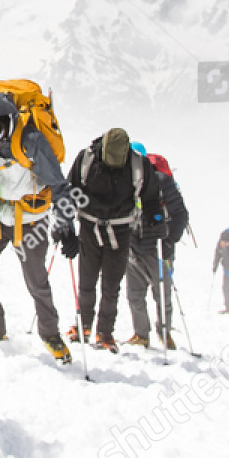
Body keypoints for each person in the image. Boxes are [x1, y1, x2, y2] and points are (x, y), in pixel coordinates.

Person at [0, 86, 75, 363]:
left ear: (2, 130)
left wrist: (66, 225)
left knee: (36, 280)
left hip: (31, 218)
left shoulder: (31, 140)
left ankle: (50, 334)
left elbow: (58, 184)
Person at [66, 128, 153, 353]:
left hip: (120, 231)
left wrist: (156, 222)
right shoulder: (86, 159)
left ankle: (105, 332)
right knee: (87, 282)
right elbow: (71, 191)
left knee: (111, 286)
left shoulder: (138, 165)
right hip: (89, 228)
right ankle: (84, 325)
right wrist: (64, 226)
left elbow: (150, 197)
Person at [122, 142, 189, 349]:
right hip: (132, 244)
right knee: (135, 294)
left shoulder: (162, 182)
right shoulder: (122, 182)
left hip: (158, 246)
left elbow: (180, 214)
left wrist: (170, 241)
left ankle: (164, 331)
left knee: (162, 293)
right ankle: (141, 334)